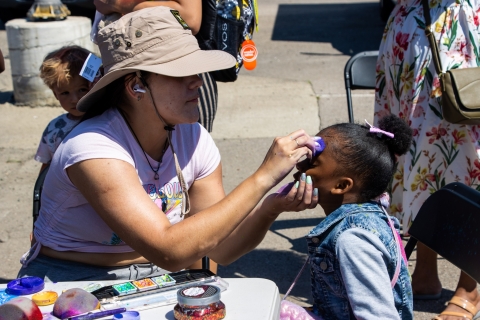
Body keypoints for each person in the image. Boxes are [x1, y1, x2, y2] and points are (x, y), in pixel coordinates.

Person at [17, 7, 317, 282]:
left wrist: (269, 208)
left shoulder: (192, 136)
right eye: (180, 72)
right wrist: (263, 177)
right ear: (136, 84)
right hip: (72, 278)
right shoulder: (93, 148)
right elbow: (170, 251)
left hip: (157, 275)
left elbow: (221, 248)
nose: (198, 81)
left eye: (196, 69)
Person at [374, 0, 480, 319]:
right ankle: (425, 271)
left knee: (467, 157)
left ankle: (470, 285)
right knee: (418, 160)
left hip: (459, 23)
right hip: (411, 20)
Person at [293, 114, 414, 319]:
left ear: (341, 186)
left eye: (312, 162)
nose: (300, 166)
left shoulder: (353, 240)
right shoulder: (367, 216)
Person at [93, 0, 218, 133]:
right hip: (125, 71)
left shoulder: (187, 82)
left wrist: (119, 4)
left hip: (177, 63)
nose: (198, 82)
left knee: (187, 143)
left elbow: (191, 18)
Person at [35, 46, 92, 173]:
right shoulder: (54, 128)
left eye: (82, 90)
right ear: (55, 94)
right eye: (65, 93)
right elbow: (46, 167)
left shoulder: (109, 119)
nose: (74, 99)